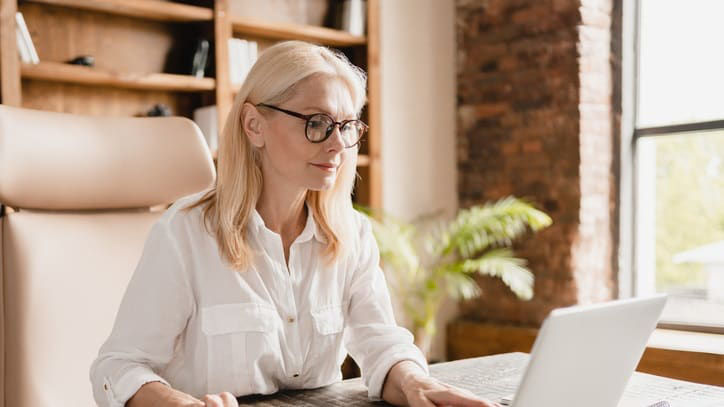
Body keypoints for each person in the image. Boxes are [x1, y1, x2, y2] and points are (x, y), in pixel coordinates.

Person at [90, 41, 499, 407]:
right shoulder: (186, 232)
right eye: (317, 123)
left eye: (346, 126)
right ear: (254, 125)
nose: (338, 144)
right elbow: (117, 367)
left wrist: (414, 383)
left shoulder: (351, 233)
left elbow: (379, 343)